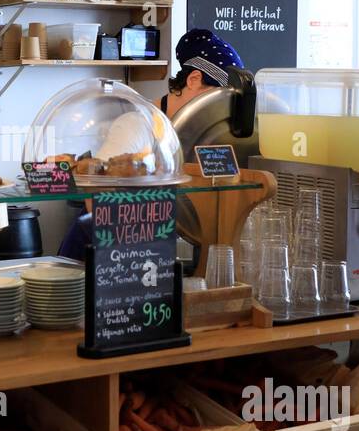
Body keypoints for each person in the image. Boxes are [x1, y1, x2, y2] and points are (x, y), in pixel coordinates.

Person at [58, 27, 245, 261]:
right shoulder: (138, 122)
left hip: (149, 254)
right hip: (103, 256)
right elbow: (97, 202)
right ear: (194, 79)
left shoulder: (198, 135)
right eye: (218, 97)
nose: (219, 110)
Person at [159, 28, 244, 119]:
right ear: (194, 80)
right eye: (220, 99)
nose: (223, 111)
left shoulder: (197, 128)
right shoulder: (146, 122)